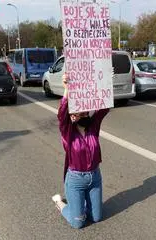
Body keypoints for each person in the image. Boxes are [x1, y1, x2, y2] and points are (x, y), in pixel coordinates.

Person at [52, 74, 109, 229]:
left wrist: (107, 82)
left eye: (85, 112)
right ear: (72, 115)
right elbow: (61, 115)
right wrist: (67, 89)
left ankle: (81, 202)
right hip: (76, 180)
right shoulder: (67, 131)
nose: (83, 114)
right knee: (78, 223)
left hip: (95, 177)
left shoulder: (93, 126)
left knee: (96, 218)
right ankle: (60, 204)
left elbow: (104, 107)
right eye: (78, 112)